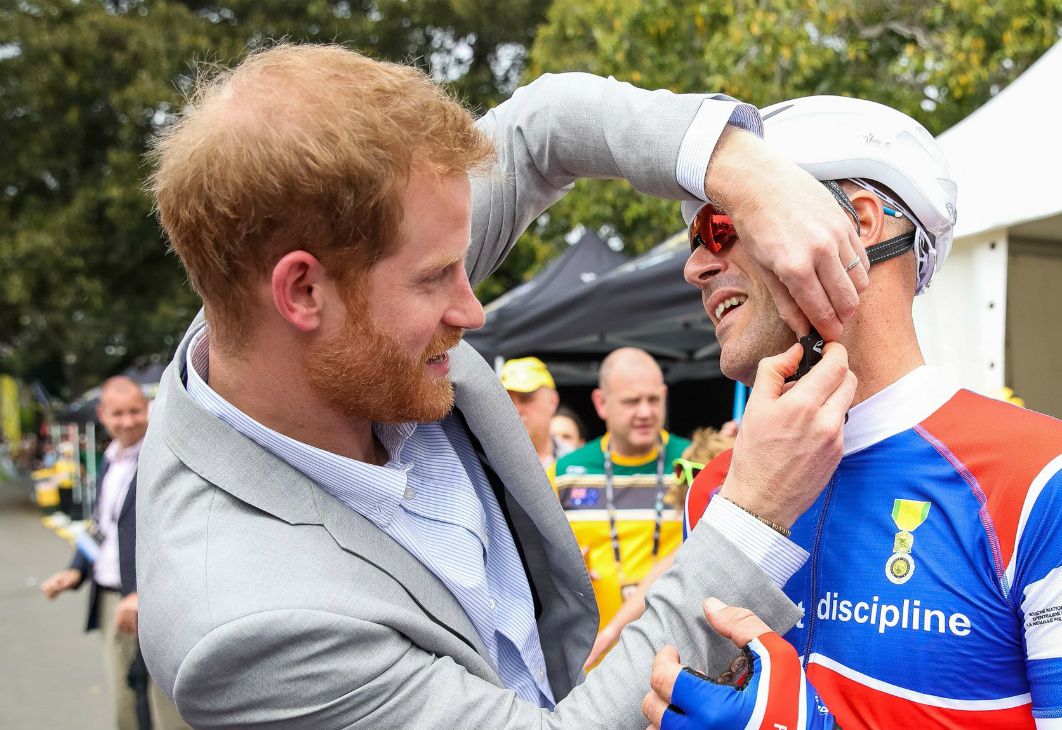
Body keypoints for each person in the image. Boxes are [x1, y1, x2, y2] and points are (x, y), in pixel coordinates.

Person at [137, 44, 863, 728]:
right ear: (301, 291)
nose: (472, 308)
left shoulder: (322, 288)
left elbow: (542, 127)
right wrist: (754, 514)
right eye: (433, 279)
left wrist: (745, 174)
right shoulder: (238, 628)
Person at [642, 97, 1062, 729]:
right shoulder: (720, 491)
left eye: (722, 226)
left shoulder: (1061, 487)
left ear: (859, 224)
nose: (695, 267)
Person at [40, 377, 186, 730]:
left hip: (153, 602)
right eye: (118, 413)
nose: (127, 421)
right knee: (124, 700)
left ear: (147, 408)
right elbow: (101, 526)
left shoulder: (168, 456)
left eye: (135, 411)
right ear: (103, 414)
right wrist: (75, 570)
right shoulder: (110, 459)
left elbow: (175, 532)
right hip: (110, 599)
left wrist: (140, 590)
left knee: (167, 704)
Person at [552, 348, 690, 632]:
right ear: (601, 403)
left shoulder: (692, 463)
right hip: (595, 656)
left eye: (653, 399)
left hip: (674, 648)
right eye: (631, 401)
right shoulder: (563, 473)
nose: (645, 412)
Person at [585, 426, 736, 669]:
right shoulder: (698, 537)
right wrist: (610, 632)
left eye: (708, 492)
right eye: (691, 495)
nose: (699, 503)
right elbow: (664, 569)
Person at [500, 357, 567, 468]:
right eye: (507, 401)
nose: (516, 409)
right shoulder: (490, 462)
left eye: (526, 399)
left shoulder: (576, 462)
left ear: (552, 401)